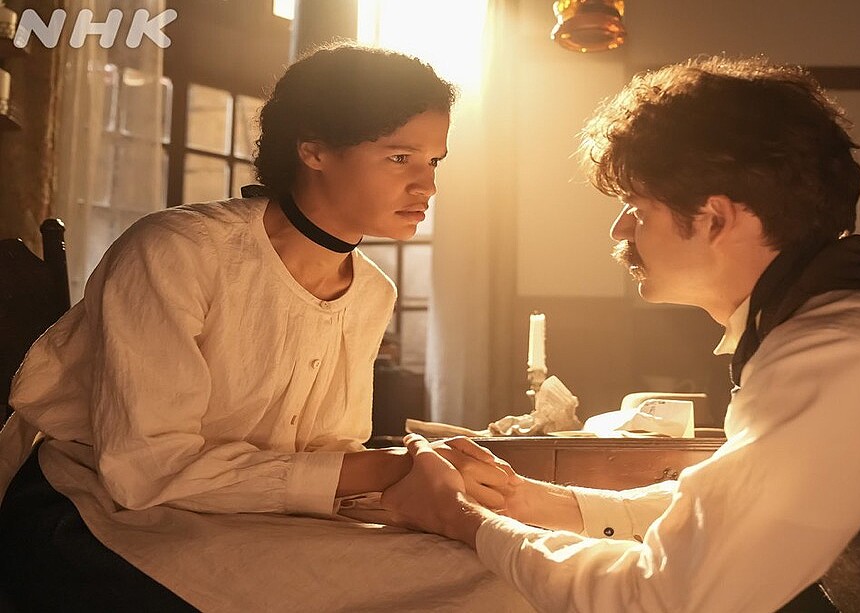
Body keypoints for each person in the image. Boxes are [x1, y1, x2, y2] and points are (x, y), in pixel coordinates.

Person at [380, 56, 860, 612]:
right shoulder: (837, 319)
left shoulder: (849, 350)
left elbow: (668, 598)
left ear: (716, 218)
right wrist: (529, 502)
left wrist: (465, 522)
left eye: (636, 207)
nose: (619, 230)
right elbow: (734, 506)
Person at [0, 42, 524, 611]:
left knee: (496, 567)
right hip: (89, 516)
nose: (427, 186)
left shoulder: (373, 292)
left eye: (434, 162)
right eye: (400, 158)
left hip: (244, 514)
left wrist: (411, 485)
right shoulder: (177, 250)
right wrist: (394, 465)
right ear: (313, 150)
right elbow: (146, 470)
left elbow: (327, 452)